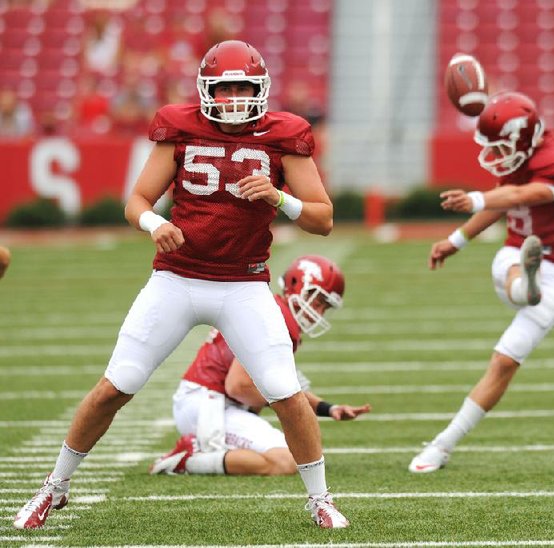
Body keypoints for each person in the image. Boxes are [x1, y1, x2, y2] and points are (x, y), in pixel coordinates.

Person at [14, 40, 350, 530]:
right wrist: (154, 223)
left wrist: (280, 197)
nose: (235, 97)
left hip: (243, 283)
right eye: (225, 87)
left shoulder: (284, 135)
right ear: (205, 91)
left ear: (261, 89)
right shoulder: (180, 125)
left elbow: (322, 219)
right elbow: (136, 200)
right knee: (117, 386)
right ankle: (54, 487)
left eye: (244, 87)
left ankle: (320, 499)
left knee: (283, 391)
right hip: (177, 277)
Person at [408, 91, 554, 473]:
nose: (493, 154)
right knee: (509, 267)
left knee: (504, 361)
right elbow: (504, 202)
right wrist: (456, 240)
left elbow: (524, 193)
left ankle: (443, 444)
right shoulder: (522, 150)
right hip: (519, 252)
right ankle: (524, 284)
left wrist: (474, 199)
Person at [148, 255, 371, 476]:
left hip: (205, 402)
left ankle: (205, 451)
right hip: (209, 405)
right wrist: (292, 409)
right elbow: (239, 386)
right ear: (297, 287)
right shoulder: (277, 319)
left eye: (325, 307)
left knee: (302, 453)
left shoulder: (274, 311)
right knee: (289, 460)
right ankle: (188, 459)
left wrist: (327, 408)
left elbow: (284, 387)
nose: (319, 313)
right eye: (318, 302)